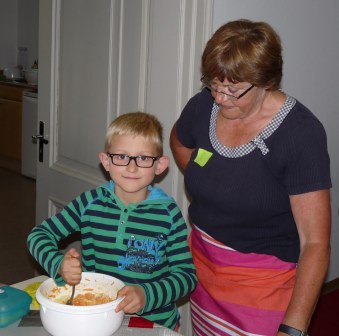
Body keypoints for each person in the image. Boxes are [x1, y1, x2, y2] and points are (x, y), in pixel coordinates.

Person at [170, 19, 331, 336]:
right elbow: (178, 140)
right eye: (214, 84)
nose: (220, 98)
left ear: (266, 82)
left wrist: (293, 328)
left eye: (232, 90)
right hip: (203, 269)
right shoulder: (203, 106)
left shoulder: (300, 134)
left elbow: (316, 243)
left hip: (263, 288)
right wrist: (215, 183)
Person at [28, 111, 197, 330]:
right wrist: (58, 264)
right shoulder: (89, 203)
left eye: (144, 158)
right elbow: (38, 235)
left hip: (154, 323)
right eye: (121, 156)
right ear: (106, 161)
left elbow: (186, 276)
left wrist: (148, 295)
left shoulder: (168, 214)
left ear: (160, 165)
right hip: (97, 317)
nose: (132, 167)